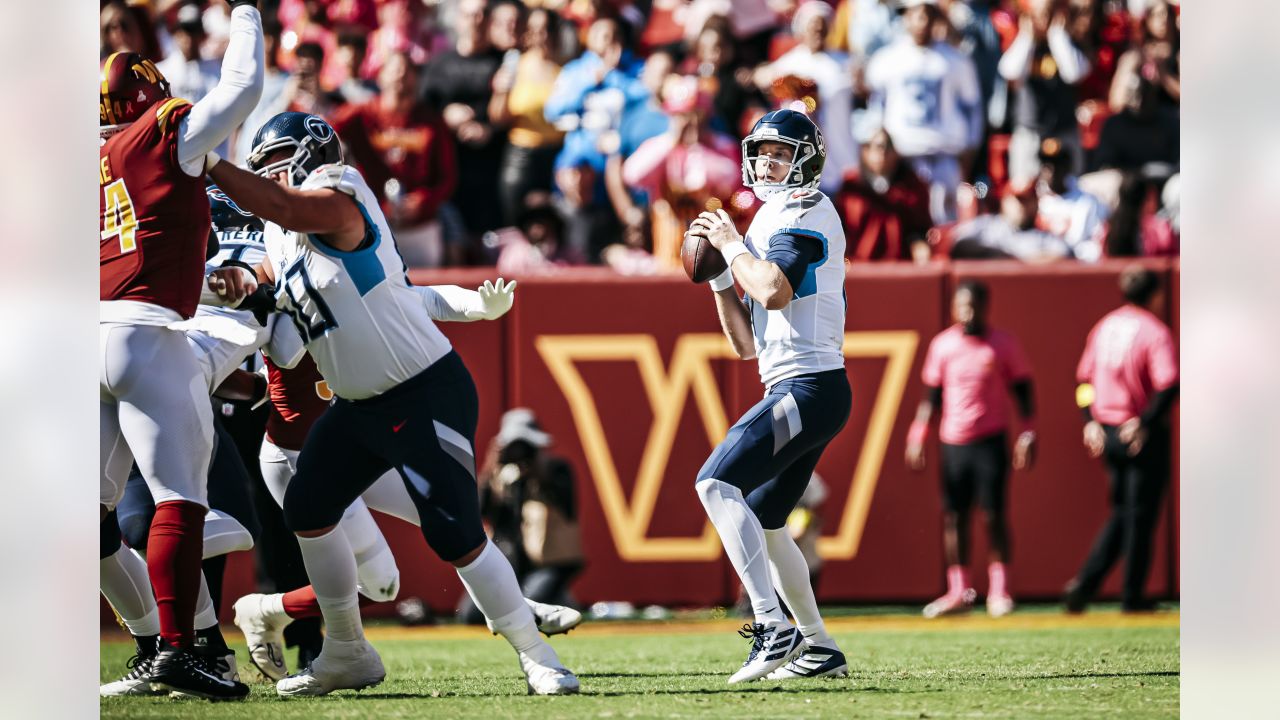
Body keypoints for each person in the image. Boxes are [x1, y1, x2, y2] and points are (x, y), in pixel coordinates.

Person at [205, 111, 580, 696]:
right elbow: (277, 306)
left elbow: (293, 212)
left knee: (453, 531)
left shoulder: (343, 194)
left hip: (423, 388)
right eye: (265, 172)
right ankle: (347, 652)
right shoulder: (281, 232)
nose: (274, 180)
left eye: (280, 166)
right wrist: (246, 288)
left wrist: (209, 163)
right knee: (307, 508)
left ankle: (539, 658)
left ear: (314, 156)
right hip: (357, 407)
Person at [98, 0, 263, 699]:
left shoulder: (86, 155)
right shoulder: (159, 133)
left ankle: (147, 646)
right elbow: (243, 88)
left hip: (85, 333)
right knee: (178, 498)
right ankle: (178, 649)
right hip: (148, 332)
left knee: (89, 512)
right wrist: (248, 13)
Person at [687, 109, 850, 683]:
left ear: (806, 159)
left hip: (811, 384)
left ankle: (770, 626)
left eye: (780, 153)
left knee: (714, 481)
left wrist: (731, 245)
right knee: (767, 516)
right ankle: (819, 645)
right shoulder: (769, 218)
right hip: (801, 385)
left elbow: (775, 291)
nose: (766, 163)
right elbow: (743, 345)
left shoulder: (805, 211)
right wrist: (717, 276)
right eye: (761, 153)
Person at [906, 280, 1038, 618]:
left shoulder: (1002, 344)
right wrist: (918, 432)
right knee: (955, 517)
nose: (968, 312)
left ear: (984, 306)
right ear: (954, 307)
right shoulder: (943, 345)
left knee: (994, 515)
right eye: (962, 305)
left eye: (974, 305)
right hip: (954, 443)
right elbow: (931, 396)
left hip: (990, 440)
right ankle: (958, 591)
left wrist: (1028, 433)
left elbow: (1023, 391)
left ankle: (999, 591)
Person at [1066, 266, 1178, 613]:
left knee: (1122, 513)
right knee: (1140, 516)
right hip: (1139, 432)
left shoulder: (1105, 326)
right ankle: (1132, 594)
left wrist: (1090, 422)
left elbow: (1083, 382)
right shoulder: (1154, 331)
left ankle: (1085, 584)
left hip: (1108, 431)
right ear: (1155, 295)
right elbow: (1170, 382)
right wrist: (1145, 422)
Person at [330, 51, 457, 268]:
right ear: (380, 76)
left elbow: (447, 177)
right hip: (372, 223)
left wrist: (424, 200)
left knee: (425, 292)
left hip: (420, 227)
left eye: (408, 70)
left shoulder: (431, 121)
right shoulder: (363, 113)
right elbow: (324, 130)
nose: (401, 75)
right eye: (395, 69)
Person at [458, 409, 584, 624]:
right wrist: (490, 469)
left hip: (546, 563)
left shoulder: (556, 470)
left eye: (525, 445)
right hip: (508, 561)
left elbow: (569, 509)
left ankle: (556, 597)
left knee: (528, 606)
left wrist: (539, 472)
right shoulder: (499, 475)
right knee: (472, 615)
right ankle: (559, 598)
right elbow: (477, 512)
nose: (519, 452)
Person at [863, 0, 983, 224]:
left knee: (946, 227)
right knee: (905, 224)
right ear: (906, 16)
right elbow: (875, 110)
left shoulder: (956, 60)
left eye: (928, 15)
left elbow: (972, 108)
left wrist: (970, 149)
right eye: (917, 14)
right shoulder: (886, 60)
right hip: (902, 159)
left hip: (944, 155)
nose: (923, 22)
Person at [997, 0, 1092, 185]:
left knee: (1070, 187)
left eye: (1048, 14)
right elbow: (1010, 71)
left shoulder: (1070, 42)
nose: (1042, 19)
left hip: (1065, 132)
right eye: (1037, 14)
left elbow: (1074, 73)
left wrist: (1057, 37)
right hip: (1029, 134)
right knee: (1024, 188)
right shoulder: (1022, 43)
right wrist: (1027, 37)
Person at [837, 127, 933, 261]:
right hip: (858, 267)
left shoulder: (912, 186)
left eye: (886, 147)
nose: (881, 153)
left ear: (895, 152)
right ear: (863, 151)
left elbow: (919, 232)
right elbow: (840, 233)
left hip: (899, 268)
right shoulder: (851, 187)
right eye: (873, 147)